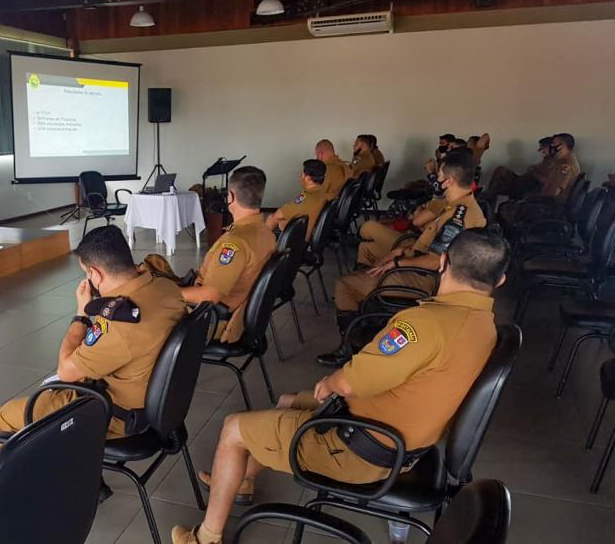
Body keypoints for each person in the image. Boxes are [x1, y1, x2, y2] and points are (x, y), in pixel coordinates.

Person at [170, 229, 510, 544]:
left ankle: (206, 537)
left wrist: (331, 382)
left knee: (233, 429)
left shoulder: (426, 325)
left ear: (442, 261)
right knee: (288, 400)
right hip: (402, 440)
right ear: (500, 280)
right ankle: (242, 479)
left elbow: (350, 381)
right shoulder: (486, 327)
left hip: (359, 448)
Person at [0, 225, 186, 439]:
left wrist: (81, 315)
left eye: (87, 273)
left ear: (95, 274)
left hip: (116, 414)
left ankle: (45, 459)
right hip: (164, 403)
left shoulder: (119, 323)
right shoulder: (166, 288)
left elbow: (66, 371)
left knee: (7, 414)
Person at [322, 151, 486, 364]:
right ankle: (368, 310)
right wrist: (402, 251)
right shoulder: (461, 207)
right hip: (427, 270)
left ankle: (349, 350)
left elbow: (434, 261)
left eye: (439, 175)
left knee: (345, 285)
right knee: (368, 260)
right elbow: (430, 247)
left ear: (449, 181)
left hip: (427, 279)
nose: (436, 179)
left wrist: (397, 263)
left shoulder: (457, 216)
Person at [143, 167, 275, 344]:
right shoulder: (266, 233)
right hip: (234, 313)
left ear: (230, 197)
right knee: (152, 266)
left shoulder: (234, 244)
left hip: (212, 320)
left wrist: (167, 293)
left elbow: (208, 296)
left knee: (142, 311)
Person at [265, 159, 327, 241]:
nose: (300, 176)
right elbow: (296, 201)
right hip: (312, 227)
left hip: (302, 235)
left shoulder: (307, 197)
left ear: (308, 179)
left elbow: (278, 214)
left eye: (302, 174)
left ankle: (262, 242)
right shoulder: (320, 191)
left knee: (272, 218)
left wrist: (285, 209)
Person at [485, 136, 554, 201]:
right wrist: (532, 169)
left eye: (543, 148)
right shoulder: (545, 160)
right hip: (523, 180)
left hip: (527, 186)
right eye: (540, 149)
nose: (541, 151)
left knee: (501, 178)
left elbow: (545, 180)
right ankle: (488, 195)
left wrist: (534, 172)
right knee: (501, 170)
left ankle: (488, 196)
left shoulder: (554, 162)